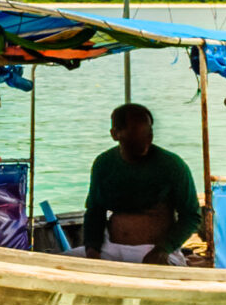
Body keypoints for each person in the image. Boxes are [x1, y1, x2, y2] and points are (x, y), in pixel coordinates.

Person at [83, 102, 201, 265]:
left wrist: (163, 249)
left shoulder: (172, 165)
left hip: (158, 251)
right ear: (115, 134)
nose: (144, 140)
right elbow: (95, 211)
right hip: (111, 249)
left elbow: (191, 216)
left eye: (148, 133)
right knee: (63, 262)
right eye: (135, 134)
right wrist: (92, 248)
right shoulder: (103, 163)